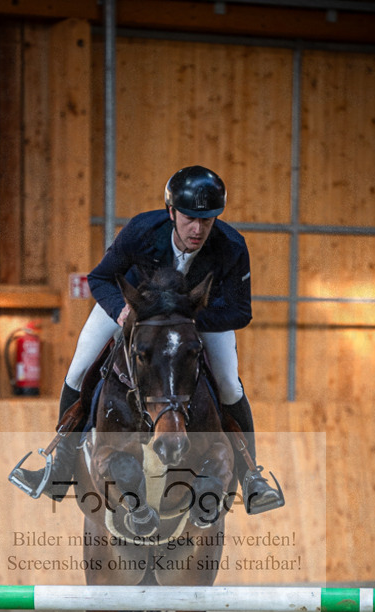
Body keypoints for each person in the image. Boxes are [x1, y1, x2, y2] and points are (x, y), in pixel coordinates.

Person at [33, 165, 283, 514]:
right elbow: (100, 277)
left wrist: (188, 320)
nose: (197, 230)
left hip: (196, 320)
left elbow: (241, 311)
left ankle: (252, 479)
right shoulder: (141, 230)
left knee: (229, 385)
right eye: (189, 219)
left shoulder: (231, 247)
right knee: (78, 370)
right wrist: (121, 309)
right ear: (171, 213)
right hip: (133, 312)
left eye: (207, 220)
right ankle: (57, 468)